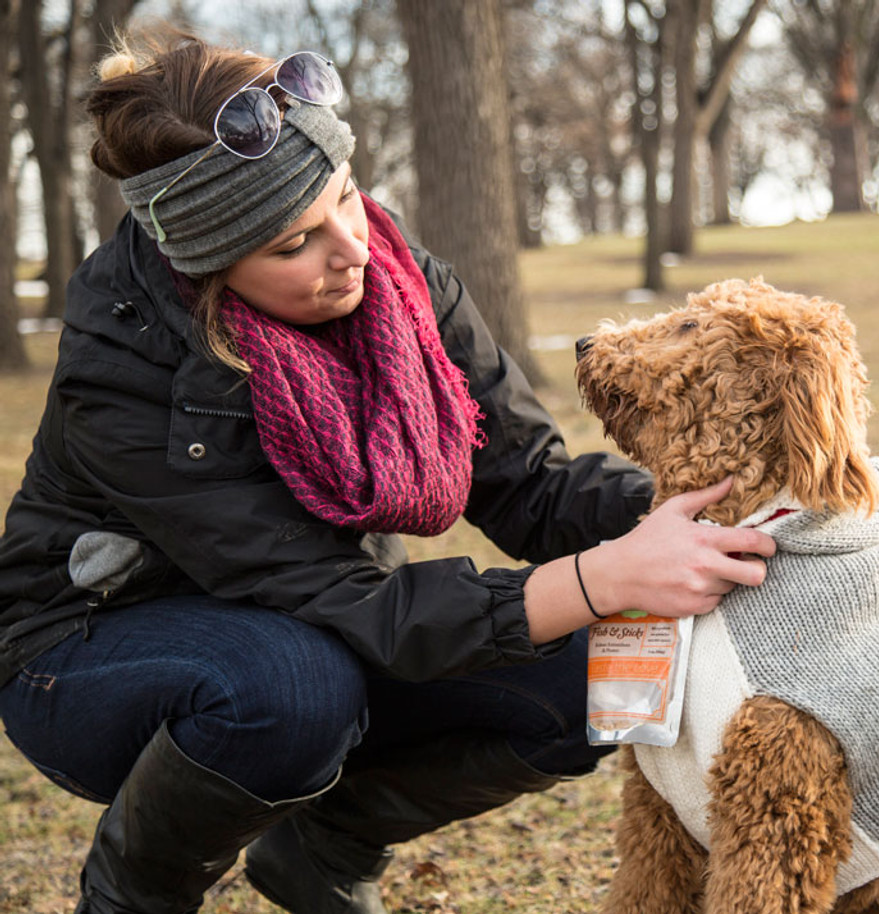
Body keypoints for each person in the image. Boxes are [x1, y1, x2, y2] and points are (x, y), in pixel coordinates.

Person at [0, 32, 775, 914]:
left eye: (345, 199)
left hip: (321, 626)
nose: (354, 250)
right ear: (208, 264)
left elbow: (530, 484)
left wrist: (736, 515)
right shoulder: (126, 366)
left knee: (622, 661)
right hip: (89, 651)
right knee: (291, 689)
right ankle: (129, 895)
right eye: (295, 243)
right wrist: (601, 578)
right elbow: (351, 603)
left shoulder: (402, 284)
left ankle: (325, 846)